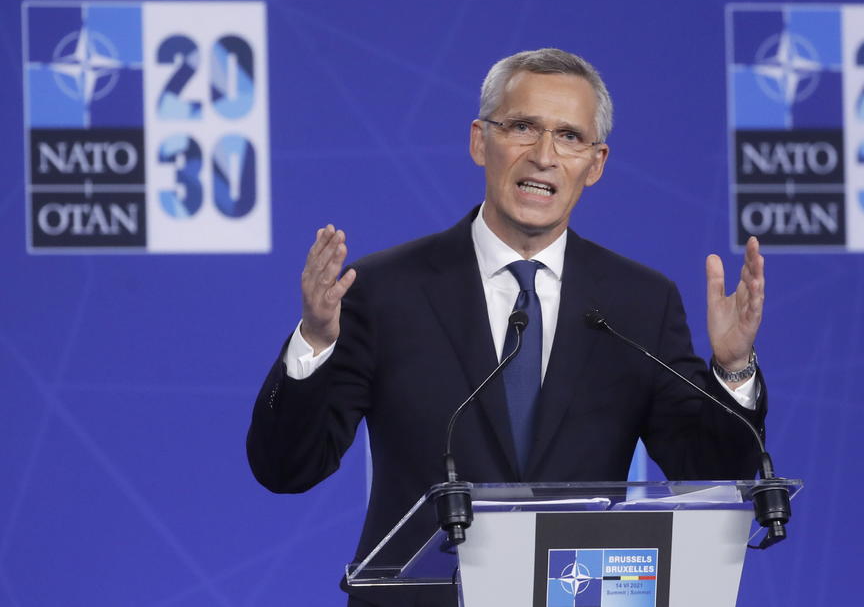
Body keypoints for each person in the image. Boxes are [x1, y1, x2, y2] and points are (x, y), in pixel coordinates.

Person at [247, 48, 766, 606]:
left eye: (569, 137)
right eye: (522, 127)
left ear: (595, 164)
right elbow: (287, 467)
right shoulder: (384, 289)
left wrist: (733, 369)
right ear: (480, 141)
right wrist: (315, 341)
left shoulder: (638, 302)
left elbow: (710, 475)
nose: (543, 156)